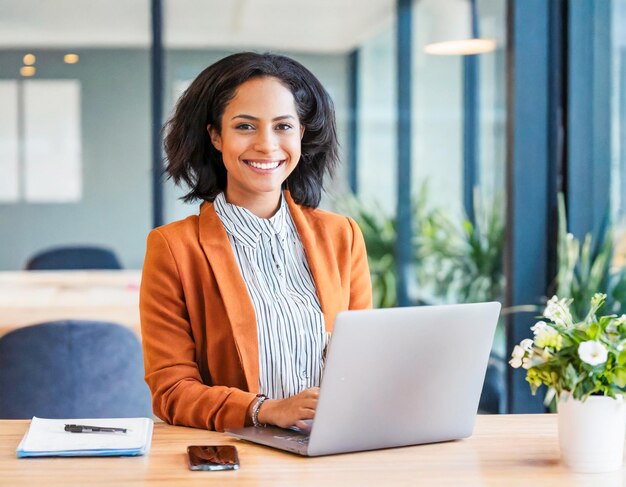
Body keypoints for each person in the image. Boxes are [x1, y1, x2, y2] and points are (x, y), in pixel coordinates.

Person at [140, 52, 372, 432]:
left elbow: (364, 362)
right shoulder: (174, 248)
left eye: (283, 126)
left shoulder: (342, 237)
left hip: (333, 448)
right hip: (241, 451)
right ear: (216, 136)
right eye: (245, 126)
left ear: (301, 134)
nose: (267, 145)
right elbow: (171, 391)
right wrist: (265, 410)